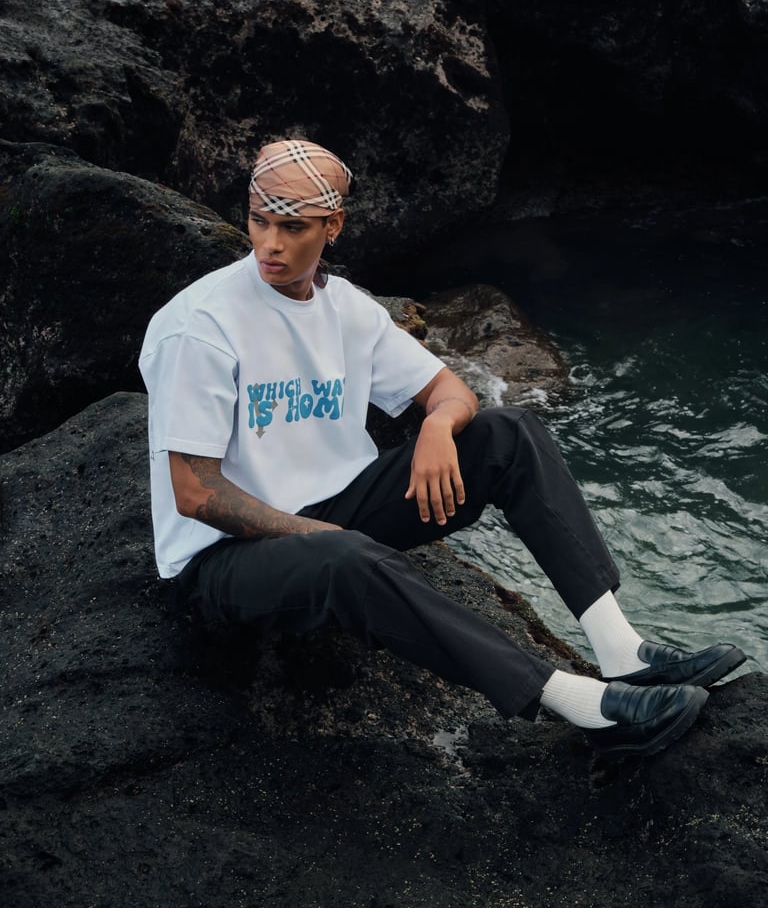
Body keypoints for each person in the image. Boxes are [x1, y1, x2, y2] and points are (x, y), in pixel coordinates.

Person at [139, 138, 745, 760]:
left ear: (333, 225)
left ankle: (621, 651)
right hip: (222, 564)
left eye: (293, 227)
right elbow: (195, 491)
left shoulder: (347, 309)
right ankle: (582, 707)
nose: (270, 244)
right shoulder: (202, 326)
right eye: (259, 222)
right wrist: (311, 535)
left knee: (509, 434)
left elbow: (450, 390)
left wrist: (434, 428)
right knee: (344, 556)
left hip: (335, 507)